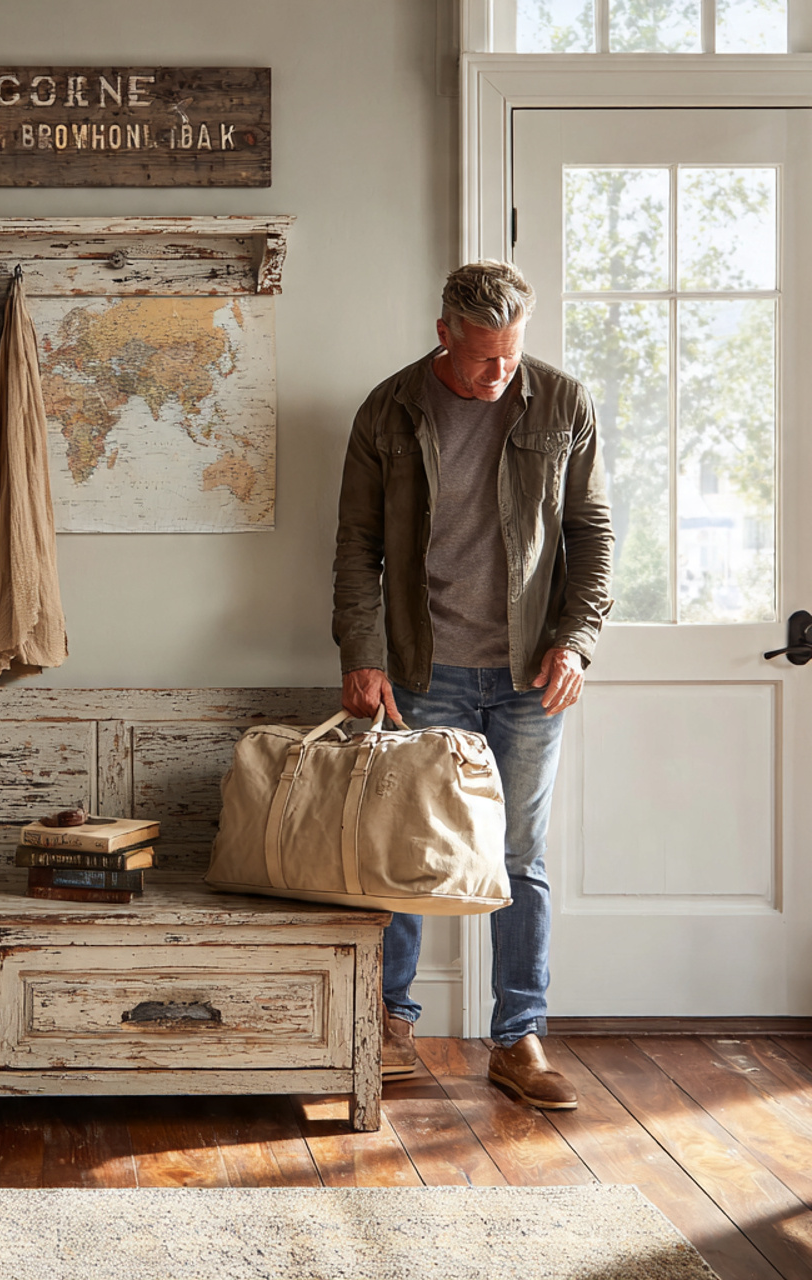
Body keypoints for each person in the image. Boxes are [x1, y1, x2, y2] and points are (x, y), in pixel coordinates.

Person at [332, 260, 614, 1110]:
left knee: (519, 861)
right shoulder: (388, 410)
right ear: (444, 331)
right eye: (484, 356)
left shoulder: (561, 404)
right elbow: (356, 545)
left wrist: (576, 643)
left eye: (511, 355)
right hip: (424, 668)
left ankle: (518, 1038)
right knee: (405, 857)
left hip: (530, 675)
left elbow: (592, 535)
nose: (499, 373)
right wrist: (362, 650)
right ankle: (391, 1024)